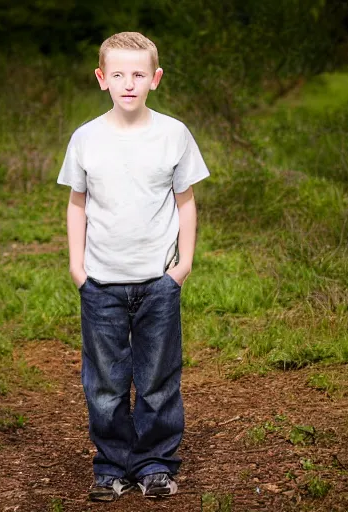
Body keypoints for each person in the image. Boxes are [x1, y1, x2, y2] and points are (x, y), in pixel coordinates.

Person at [56, 31, 210, 501]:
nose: (129, 82)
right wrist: (78, 269)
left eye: (139, 74)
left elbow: (185, 202)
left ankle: (155, 464)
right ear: (102, 78)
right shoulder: (86, 138)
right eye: (118, 74)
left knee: (159, 379)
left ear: (155, 79)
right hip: (100, 282)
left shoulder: (173, 134)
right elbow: (76, 204)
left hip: (158, 281)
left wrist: (181, 266)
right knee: (104, 384)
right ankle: (111, 466)